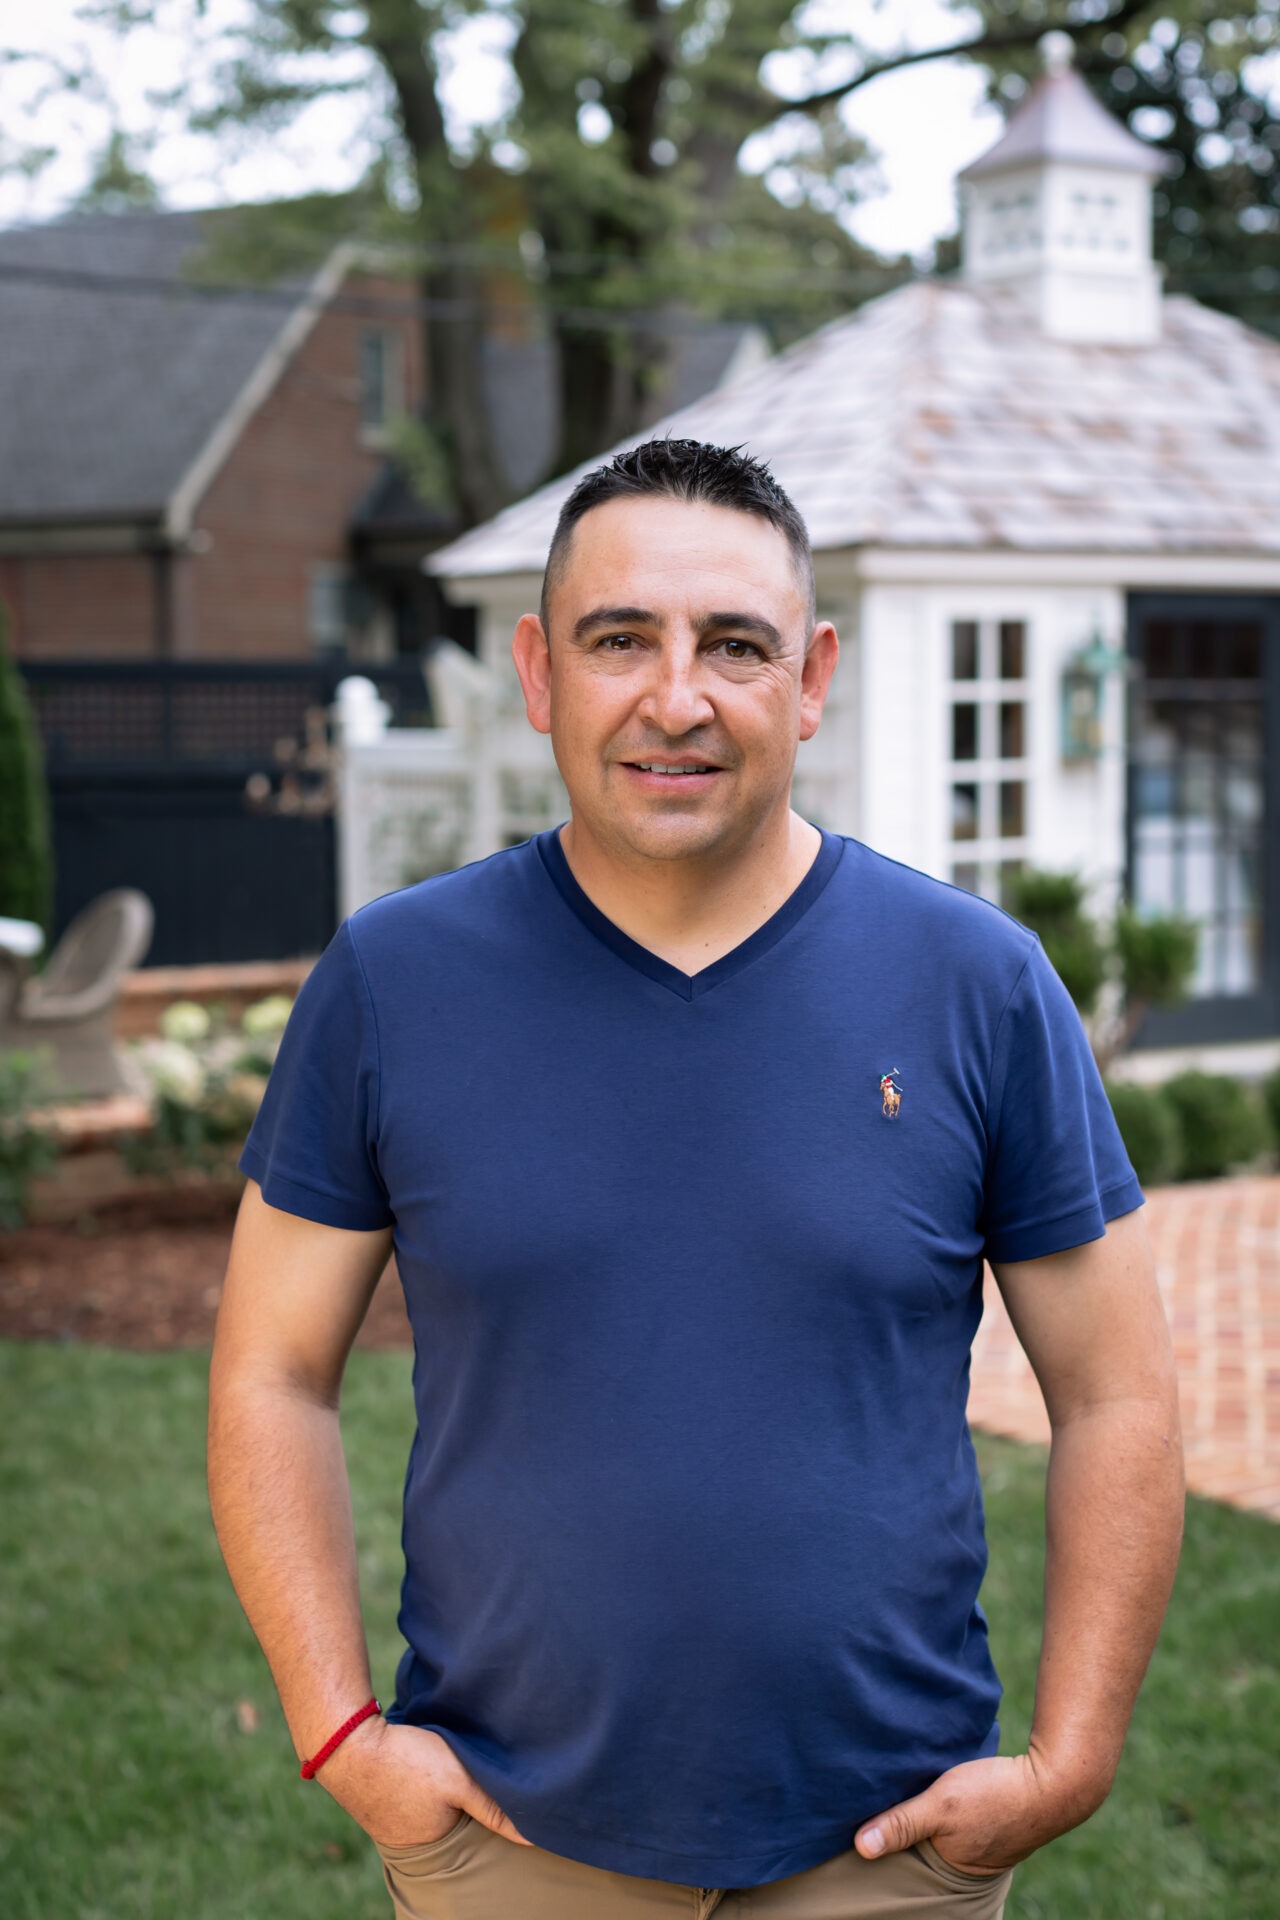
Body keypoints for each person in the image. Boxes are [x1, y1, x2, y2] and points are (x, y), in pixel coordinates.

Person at [209, 438, 1184, 1920]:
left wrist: (1073, 1762)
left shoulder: (980, 985)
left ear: (812, 678)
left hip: (888, 1851)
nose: (678, 698)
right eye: (621, 641)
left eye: (736, 645)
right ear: (541, 674)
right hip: (508, 1841)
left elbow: (1116, 1391)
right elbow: (271, 1369)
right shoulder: (396, 980)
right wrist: (343, 1734)